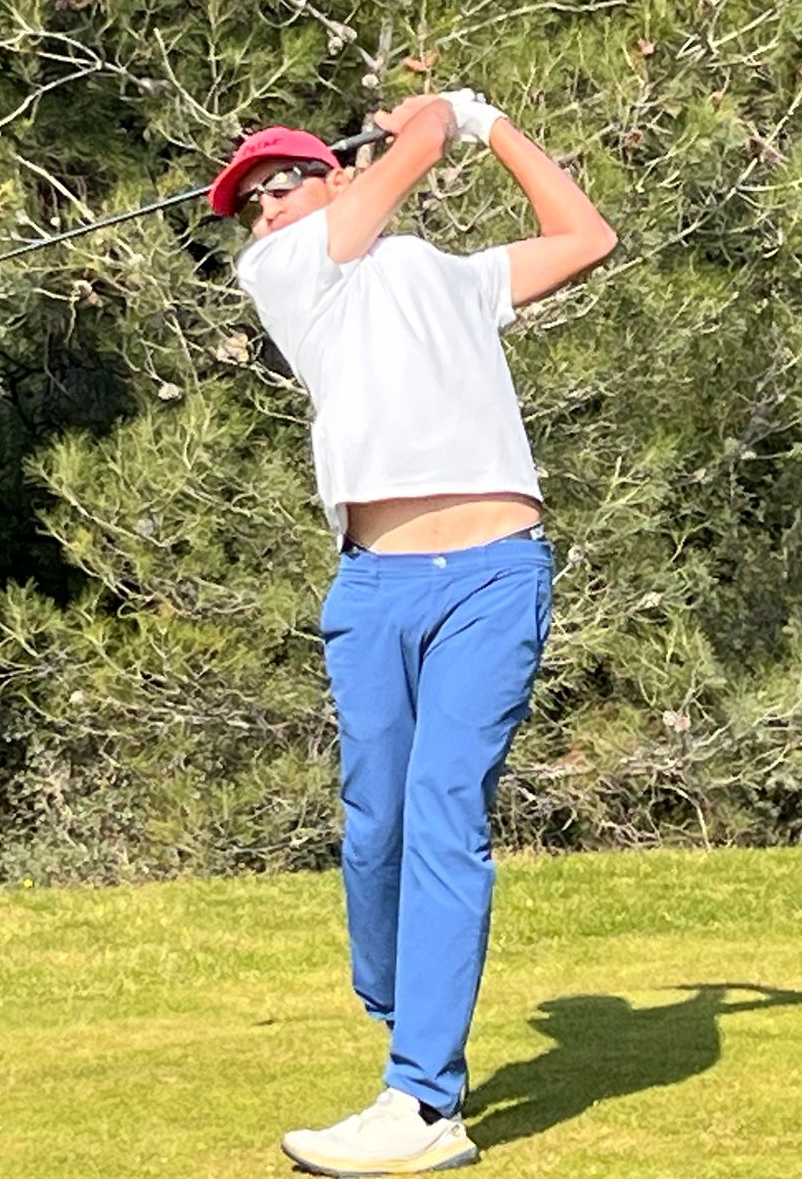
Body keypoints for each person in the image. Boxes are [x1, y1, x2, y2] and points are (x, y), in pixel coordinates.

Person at [208, 89, 617, 1176]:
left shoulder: (449, 277)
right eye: (248, 203)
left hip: (493, 576)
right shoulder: (285, 271)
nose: (262, 211)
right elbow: (419, 145)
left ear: (335, 173)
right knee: (375, 825)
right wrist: (439, 118)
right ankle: (405, 1008)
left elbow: (585, 235)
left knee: (443, 815)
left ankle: (424, 1099)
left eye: (279, 185)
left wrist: (493, 126)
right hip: (375, 587)